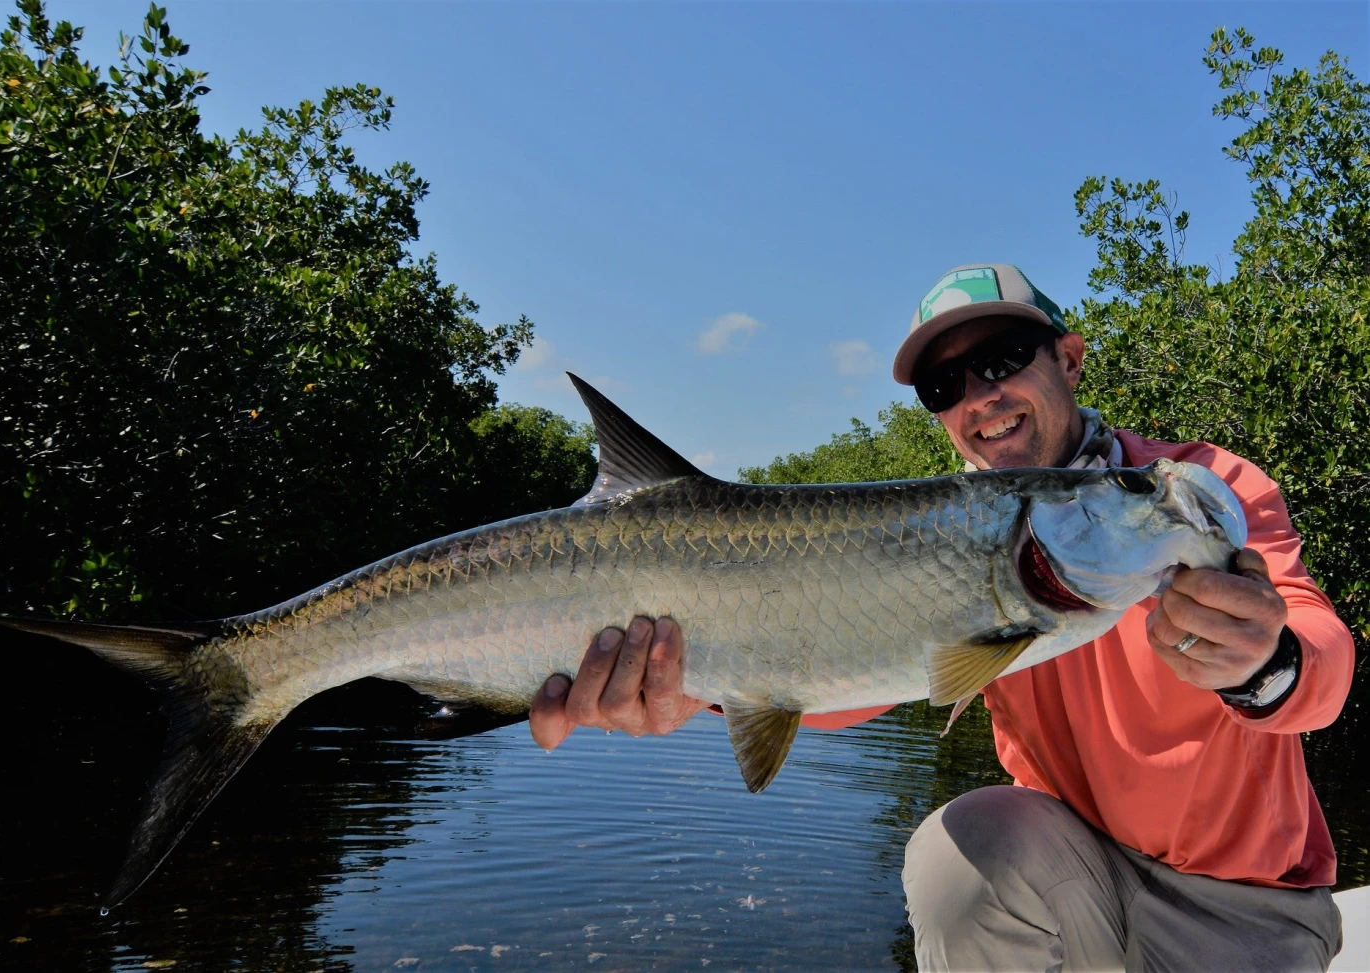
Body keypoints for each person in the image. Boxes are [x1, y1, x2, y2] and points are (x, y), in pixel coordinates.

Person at [528, 263, 1353, 971]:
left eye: (1002, 358)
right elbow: (850, 682)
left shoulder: (1195, 488)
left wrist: (1263, 662)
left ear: (1068, 359)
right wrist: (700, 685)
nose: (981, 396)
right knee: (955, 853)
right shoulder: (954, 532)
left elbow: (1323, 663)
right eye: (944, 384)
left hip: (1243, 909)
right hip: (1074, 883)